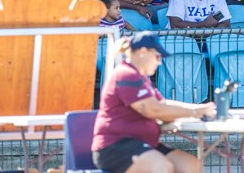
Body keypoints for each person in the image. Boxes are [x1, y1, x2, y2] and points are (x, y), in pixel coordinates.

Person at [91, 32, 214, 173]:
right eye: (157, 56)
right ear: (143, 52)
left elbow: (163, 106)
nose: (159, 62)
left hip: (142, 143)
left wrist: (200, 109)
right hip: (116, 146)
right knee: (160, 167)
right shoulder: (126, 74)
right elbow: (153, 109)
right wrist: (196, 111)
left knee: (190, 166)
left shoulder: (141, 78)